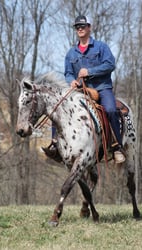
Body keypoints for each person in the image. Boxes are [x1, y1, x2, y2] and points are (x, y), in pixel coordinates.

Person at [42, 15, 125, 164]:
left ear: (89, 27)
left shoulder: (101, 47)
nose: (80, 29)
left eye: (82, 26)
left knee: (111, 110)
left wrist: (90, 71)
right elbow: (68, 72)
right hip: (80, 91)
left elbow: (110, 65)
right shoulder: (71, 53)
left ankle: (116, 146)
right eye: (77, 27)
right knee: (58, 107)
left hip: (101, 88)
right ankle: (55, 144)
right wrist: (71, 81)